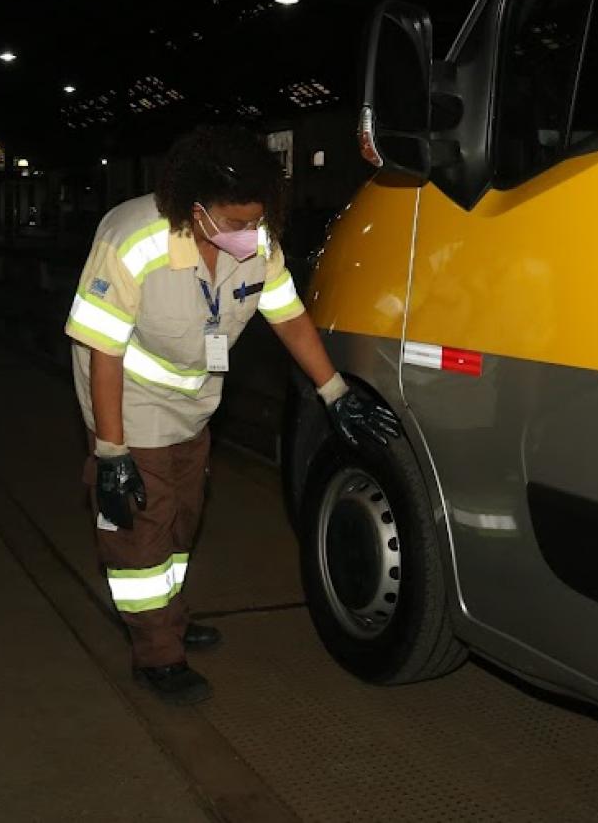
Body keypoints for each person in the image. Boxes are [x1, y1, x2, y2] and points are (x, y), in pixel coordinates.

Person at [64, 125, 399, 705]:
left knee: (181, 520)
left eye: (258, 219)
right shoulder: (132, 240)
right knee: (139, 534)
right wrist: (111, 451)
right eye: (238, 222)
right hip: (129, 401)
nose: (252, 234)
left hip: (194, 406)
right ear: (197, 212)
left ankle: (167, 612)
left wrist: (336, 392)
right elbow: (104, 351)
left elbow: (288, 316)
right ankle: (157, 653)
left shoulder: (257, 243)